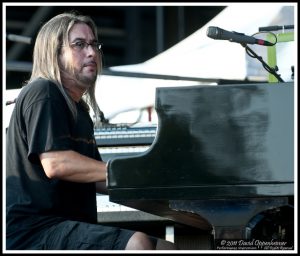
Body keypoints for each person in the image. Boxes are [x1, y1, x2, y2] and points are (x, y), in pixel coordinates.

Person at [6, 12, 176, 250]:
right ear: (54, 53)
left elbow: (97, 179)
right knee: (138, 242)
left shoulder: (78, 109)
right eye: (79, 45)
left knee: (167, 248)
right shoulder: (43, 92)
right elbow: (57, 164)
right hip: (35, 231)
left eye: (94, 44)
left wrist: (156, 187)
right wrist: (127, 172)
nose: (92, 52)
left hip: (67, 225)